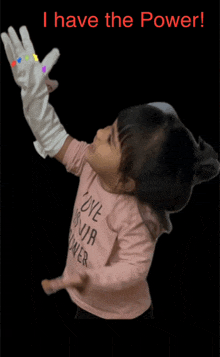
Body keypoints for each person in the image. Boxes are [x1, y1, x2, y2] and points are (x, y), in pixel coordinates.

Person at [1, 26, 219, 320]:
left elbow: (134, 268)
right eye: (111, 126)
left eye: (111, 140)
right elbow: (52, 138)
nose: (99, 132)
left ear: (125, 180)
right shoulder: (91, 165)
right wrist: (33, 94)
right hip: (83, 299)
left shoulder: (137, 217)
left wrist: (88, 279)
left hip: (119, 314)